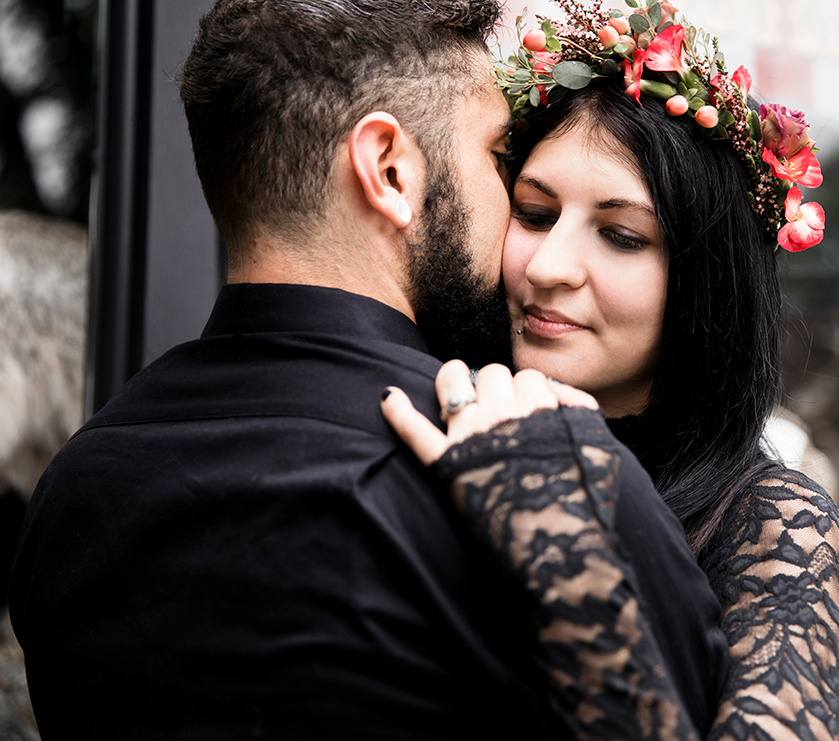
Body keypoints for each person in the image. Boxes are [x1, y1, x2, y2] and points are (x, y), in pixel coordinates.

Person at [8, 1, 732, 737]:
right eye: (494, 156)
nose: (516, 224)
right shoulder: (548, 480)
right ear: (388, 169)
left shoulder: (73, 488)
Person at [381, 1, 839, 738]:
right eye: (534, 214)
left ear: (706, 281)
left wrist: (557, 536)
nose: (546, 266)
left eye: (619, 235)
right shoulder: (426, 422)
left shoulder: (770, 524)